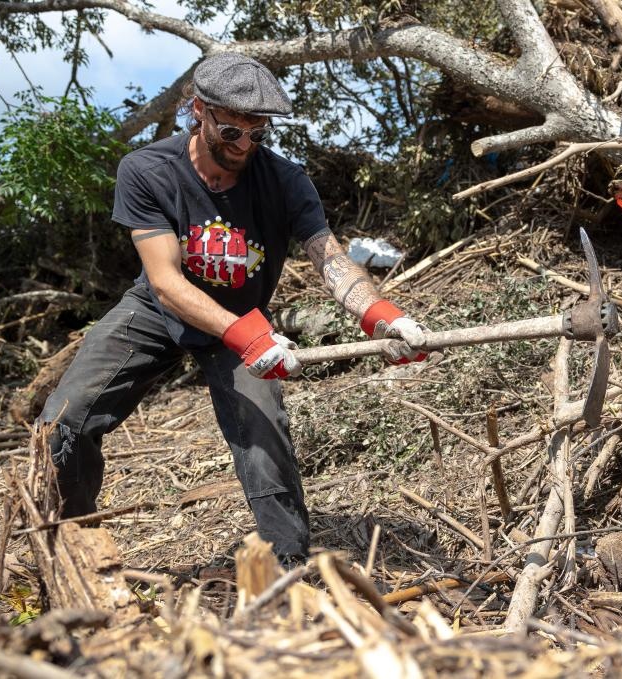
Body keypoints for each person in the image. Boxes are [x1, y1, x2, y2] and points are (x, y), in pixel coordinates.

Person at [40, 52, 428, 565]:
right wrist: (247, 337)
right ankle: (71, 545)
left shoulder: (286, 181)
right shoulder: (148, 170)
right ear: (198, 110)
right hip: (159, 311)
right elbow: (165, 281)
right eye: (231, 131)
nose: (244, 145)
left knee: (264, 442)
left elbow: (330, 260)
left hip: (244, 319)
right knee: (64, 421)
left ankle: (287, 568)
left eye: (257, 133)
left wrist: (383, 315)